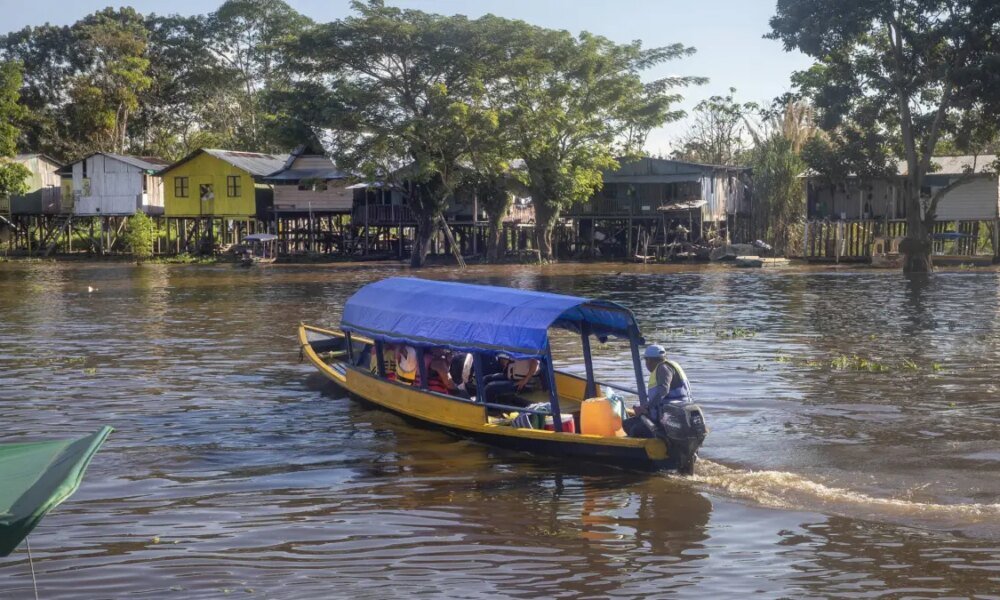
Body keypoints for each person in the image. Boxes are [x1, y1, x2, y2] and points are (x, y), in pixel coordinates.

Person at [624, 344, 691, 437]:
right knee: (633, 416)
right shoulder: (670, 366)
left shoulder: (663, 368)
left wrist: (647, 408)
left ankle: (655, 441)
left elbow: (663, 390)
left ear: (649, 360)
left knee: (630, 425)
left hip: (668, 418)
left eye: (646, 360)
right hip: (676, 413)